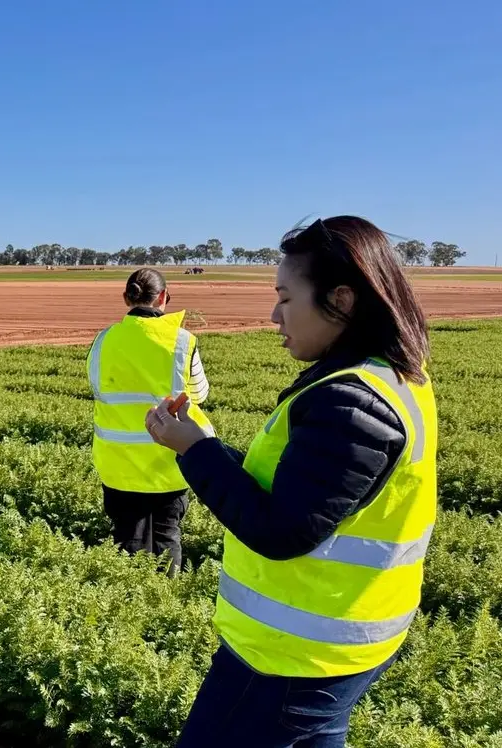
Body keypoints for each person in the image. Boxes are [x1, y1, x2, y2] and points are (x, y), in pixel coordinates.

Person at [146, 216, 437, 747]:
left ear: (342, 300)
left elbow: (283, 529)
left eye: (285, 297)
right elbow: (304, 491)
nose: (274, 316)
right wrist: (203, 444)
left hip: (290, 656)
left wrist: (195, 451)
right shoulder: (392, 375)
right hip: (337, 642)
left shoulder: (351, 402)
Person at [87, 268, 214, 574]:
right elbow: (199, 393)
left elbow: (96, 386)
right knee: (166, 536)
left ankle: (129, 606)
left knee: (126, 539)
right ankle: (163, 603)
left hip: (118, 463)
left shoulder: (104, 340)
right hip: (168, 460)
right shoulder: (183, 341)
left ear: (126, 298)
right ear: (163, 297)